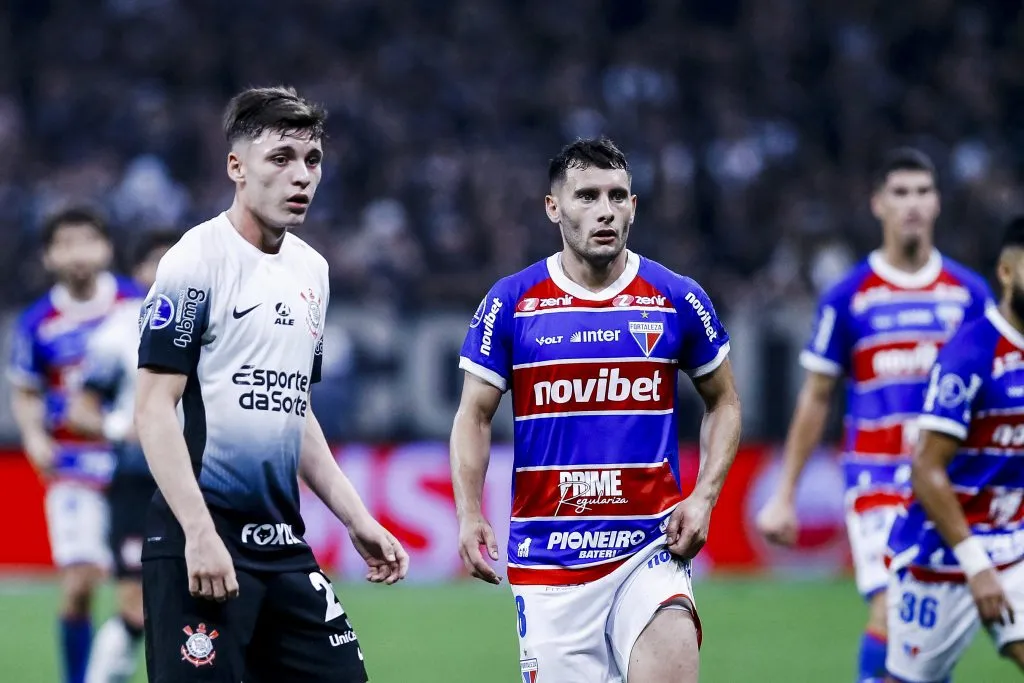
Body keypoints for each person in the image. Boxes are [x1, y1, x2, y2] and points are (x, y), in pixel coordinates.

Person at [134, 85, 408, 683]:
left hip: (283, 546)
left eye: (312, 160)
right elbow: (154, 410)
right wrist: (198, 534)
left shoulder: (313, 270)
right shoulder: (194, 261)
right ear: (237, 167)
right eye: (281, 158)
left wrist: (357, 518)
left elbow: (293, 410)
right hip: (202, 538)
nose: (301, 176)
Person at [450, 137, 741, 683]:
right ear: (553, 207)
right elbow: (474, 416)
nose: (605, 210)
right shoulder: (511, 302)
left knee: (675, 650)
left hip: (649, 550)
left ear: (634, 205)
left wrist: (703, 498)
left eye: (617, 195)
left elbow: (723, 401)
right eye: (587, 196)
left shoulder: (675, 296)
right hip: (548, 565)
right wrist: (468, 512)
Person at [755, 147, 993, 682]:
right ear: (878, 204)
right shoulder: (848, 297)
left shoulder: (970, 295)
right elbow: (816, 396)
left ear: (937, 204)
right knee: (895, 607)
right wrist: (786, 493)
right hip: (878, 481)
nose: (912, 204)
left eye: (922, 192)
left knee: (929, 635)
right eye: (900, 193)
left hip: (952, 486)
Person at [884, 215, 1024, 681]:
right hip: (944, 553)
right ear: (1006, 273)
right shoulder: (971, 354)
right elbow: (927, 470)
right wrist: (976, 566)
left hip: (1014, 547)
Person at [7, 207, 140, 683]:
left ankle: (114, 668)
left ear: (106, 248)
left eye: (88, 240)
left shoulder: (135, 303)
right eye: (65, 243)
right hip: (73, 468)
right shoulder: (37, 322)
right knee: (81, 582)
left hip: (136, 466)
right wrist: (34, 436)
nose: (78, 253)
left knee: (144, 593)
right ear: (48, 256)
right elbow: (26, 391)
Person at [64, 230, 180, 683]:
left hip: (203, 478)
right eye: (156, 260)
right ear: (138, 272)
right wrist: (119, 428)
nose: (166, 268)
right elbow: (80, 409)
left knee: (206, 599)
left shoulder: (215, 322)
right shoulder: (118, 331)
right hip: (139, 482)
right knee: (138, 604)